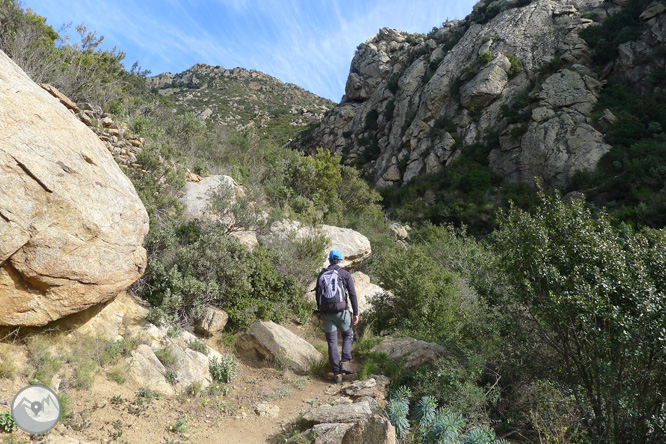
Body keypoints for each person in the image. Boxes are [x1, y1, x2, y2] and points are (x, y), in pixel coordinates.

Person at [315, 249, 359, 384]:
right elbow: (352, 294)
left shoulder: (322, 274)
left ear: (329, 260)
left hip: (327, 313)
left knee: (332, 343)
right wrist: (356, 313)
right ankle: (345, 361)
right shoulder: (344, 274)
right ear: (340, 260)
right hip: (342, 312)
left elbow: (317, 295)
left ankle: (337, 374)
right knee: (348, 335)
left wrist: (321, 311)